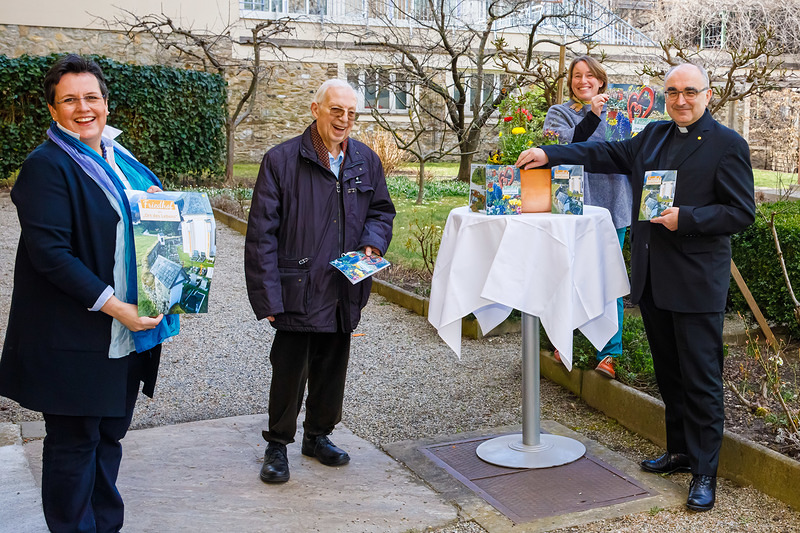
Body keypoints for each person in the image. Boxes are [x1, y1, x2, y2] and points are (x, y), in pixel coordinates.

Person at [517, 62, 755, 512]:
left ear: (708, 94)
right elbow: (604, 155)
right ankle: (680, 451)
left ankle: (705, 471)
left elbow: (741, 212)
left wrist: (688, 218)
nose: (680, 100)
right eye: (672, 92)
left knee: (701, 380)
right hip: (655, 277)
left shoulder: (727, 145)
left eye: (690, 92)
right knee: (669, 373)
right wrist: (551, 154)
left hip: (697, 281)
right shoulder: (654, 136)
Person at [0, 54, 180, 532]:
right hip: (77, 335)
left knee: (108, 438)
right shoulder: (46, 166)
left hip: (125, 334)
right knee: (74, 444)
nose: (84, 108)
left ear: (106, 102)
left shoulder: (120, 159)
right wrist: (119, 307)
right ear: (53, 110)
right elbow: (52, 256)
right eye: (70, 100)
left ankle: (105, 525)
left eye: (91, 97)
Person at [244, 79, 395, 484]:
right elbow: (261, 235)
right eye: (336, 110)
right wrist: (267, 297)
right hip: (298, 286)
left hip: (345, 285)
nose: (344, 120)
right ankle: (277, 444)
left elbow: (381, 211)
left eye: (351, 113)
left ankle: (318, 436)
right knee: (290, 371)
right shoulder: (281, 160)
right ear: (316, 109)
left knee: (332, 366)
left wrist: (372, 243)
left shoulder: (365, 160)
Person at [544, 55, 632, 378]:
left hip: (614, 204)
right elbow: (564, 147)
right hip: (572, 206)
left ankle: (608, 354)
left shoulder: (620, 114)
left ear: (601, 81)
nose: (583, 81)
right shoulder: (559, 113)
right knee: (570, 273)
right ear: (570, 83)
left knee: (609, 278)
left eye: (589, 76)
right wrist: (592, 116)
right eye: (577, 76)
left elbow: (630, 153)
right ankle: (562, 338)